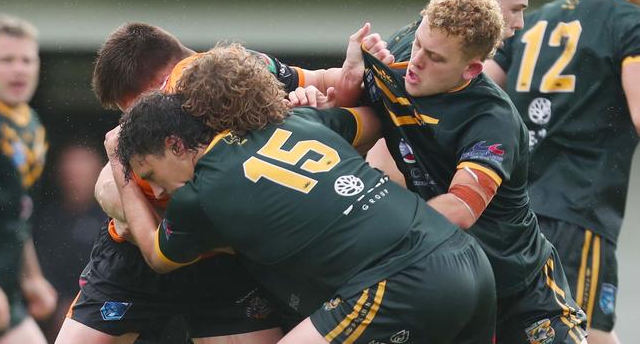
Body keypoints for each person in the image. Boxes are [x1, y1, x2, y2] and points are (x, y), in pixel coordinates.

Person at [108, 43, 497, 344]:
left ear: (176, 144)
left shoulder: (200, 194)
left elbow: (157, 256)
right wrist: (332, 108)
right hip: (466, 260)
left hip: (398, 280)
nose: (155, 188)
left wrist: (119, 164)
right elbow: (374, 121)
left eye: (150, 173)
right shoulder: (301, 120)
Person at [56, 22, 393, 344]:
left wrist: (324, 102)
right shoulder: (243, 66)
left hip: (211, 261)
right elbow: (113, 192)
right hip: (144, 257)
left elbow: (328, 92)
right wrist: (350, 84)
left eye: (132, 112)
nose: (132, 125)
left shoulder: (224, 78)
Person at [335, 0, 587, 343]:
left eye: (433, 57)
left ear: (470, 69)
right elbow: (331, 97)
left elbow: (461, 208)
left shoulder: (493, 118)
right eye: (419, 44)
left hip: (522, 292)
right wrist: (346, 79)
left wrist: (375, 231)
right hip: (452, 287)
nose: (416, 61)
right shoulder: (403, 66)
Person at [484, 0, 640, 343]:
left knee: (592, 331)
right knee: (575, 332)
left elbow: (478, 92)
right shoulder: (629, 23)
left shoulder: (534, 21)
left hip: (514, 214)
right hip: (577, 213)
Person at [363, 0, 539, 186]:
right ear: (477, 0)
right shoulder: (423, 58)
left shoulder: (426, 42)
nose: (520, 23)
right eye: (515, 9)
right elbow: (388, 162)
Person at [0, 14, 56, 344]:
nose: (19, 69)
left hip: (7, 293)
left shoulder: (30, 124)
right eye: (6, 60)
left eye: (27, 60)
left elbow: (19, 212)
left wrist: (31, 276)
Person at [32, 145, 105, 341]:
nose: (75, 179)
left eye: (83, 172)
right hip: (53, 308)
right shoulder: (47, 219)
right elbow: (40, 268)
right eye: (71, 172)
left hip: (98, 308)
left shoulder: (111, 220)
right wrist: (59, 304)